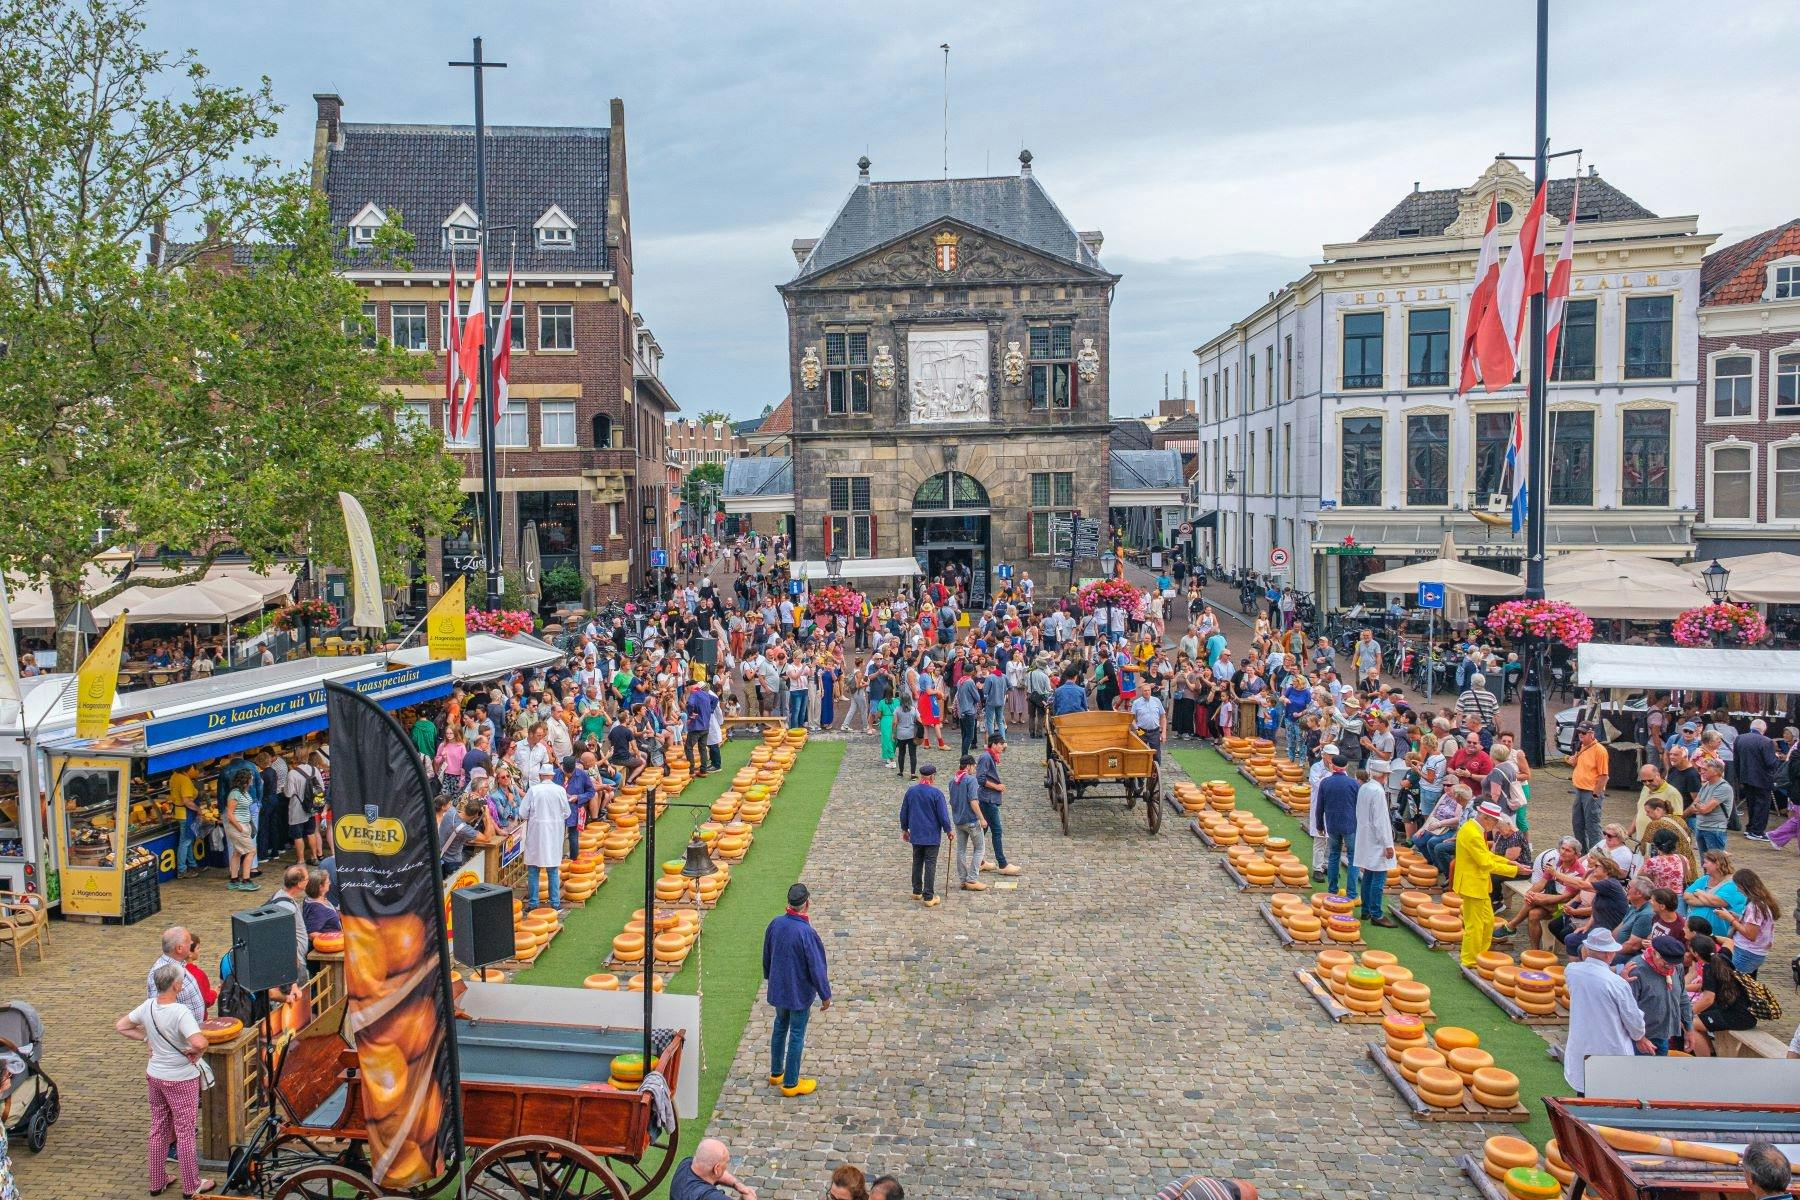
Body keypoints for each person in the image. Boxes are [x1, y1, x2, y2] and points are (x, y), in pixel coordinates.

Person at [116, 962, 214, 1198]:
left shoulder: (147, 1006)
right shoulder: (181, 1012)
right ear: (177, 986)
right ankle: (192, 1185)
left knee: (159, 1127)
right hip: (180, 1077)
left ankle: (157, 1180)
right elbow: (200, 1042)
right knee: (185, 1131)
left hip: (156, 1074)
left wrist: (146, 1040)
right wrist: (195, 1050)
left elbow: (121, 1026)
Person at [761, 883, 831, 1097]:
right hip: (798, 992)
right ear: (807, 904)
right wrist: (825, 994)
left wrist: (768, 976)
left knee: (780, 1026)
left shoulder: (775, 924)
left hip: (779, 988)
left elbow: (767, 953)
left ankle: (776, 1072)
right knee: (797, 1034)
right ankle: (791, 1083)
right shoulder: (806, 932)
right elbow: (817, 967)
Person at [1562, 928, 1646, 1094]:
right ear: (1610, 954)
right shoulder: (1617, 984)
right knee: (1609, 1098)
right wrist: (1640, 1037)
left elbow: (1595, 977)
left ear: (1586, 950)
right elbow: (1634, 1021)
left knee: (1584, 1093)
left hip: (1582, 1046)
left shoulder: (1572, 970)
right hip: (1611, 1050)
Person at [1454, 801, 1523, 967]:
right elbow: (1485, 863)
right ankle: (1469, 961)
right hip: (1473, 886)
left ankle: (1480, 957)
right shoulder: (1473, 833)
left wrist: (1510, 863)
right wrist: (1514, 871)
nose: (1496, 825)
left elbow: (1487, 856)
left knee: (1486, 921)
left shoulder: (1475, 829)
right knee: (1475, 926)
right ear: (1486, 818)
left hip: (1478, 886)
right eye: (1495, 822)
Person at [1618, 934, 1692, 1055]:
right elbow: (1627, 1010)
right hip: (1640, 1039)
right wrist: (1639, 1038)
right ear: (1653, 952)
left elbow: (1683, 997)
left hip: (1663, 1035)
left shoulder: (1676, 967)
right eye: (1666, 963)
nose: (1670, 967)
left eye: (1674, 964)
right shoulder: (1636, 970)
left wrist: (1689, 1028)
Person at [1688, 933, 1758, 1055]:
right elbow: (1729, 941)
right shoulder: (1723, 957)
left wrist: (1687, 1014)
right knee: (1698, 1017)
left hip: (1736, 1017)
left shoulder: (1709, 968)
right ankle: (1711, 1052)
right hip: (1745, 1013)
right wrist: (1711, 936)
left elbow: (1708, 999)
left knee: (1690, 1024)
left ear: (1696, 953)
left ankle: (1705, 1062)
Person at [899, 764, 953, 906]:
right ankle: (929, 896)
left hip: (916, 834)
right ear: (932, 777)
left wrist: (904, 829)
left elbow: (903, 812)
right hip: (931, 835)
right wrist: (949, 830)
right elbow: (943, 816)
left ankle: (917, 891)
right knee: (930, 863)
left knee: (917, 861)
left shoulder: (911, 791)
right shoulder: (936, 794)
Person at [519, 773, 572, 910]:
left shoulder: (533, 790)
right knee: (553, 870)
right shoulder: (560, 790)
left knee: (533, 870)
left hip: (536, 834)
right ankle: (555, 903)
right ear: (552, 776)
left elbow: (523, 813)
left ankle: (533, 903)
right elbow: (567, 812)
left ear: (541, 776)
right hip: (554, 834)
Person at [1353, 767, 1396, 926]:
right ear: (1383, 776)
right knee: (1378, 876)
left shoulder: (1365, 787)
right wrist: (1388, 844)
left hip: (1366, 836)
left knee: (1368, 875)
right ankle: (1376, 913)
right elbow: (1380, 820)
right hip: (1377, 839)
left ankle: (1366, 910)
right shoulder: (1377, 792)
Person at [1719, 867, 1780, 976]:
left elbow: (1750, 934)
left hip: (1747, 952)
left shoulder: (1755, 907)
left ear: (1743, 886)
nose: (1737, 890)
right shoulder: (1762, 901)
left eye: (1738, 887)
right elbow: (1755, 925)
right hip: (1754, 952)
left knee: (1738, 986)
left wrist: (1730, 919)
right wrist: (1738, 918)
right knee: (1749, 983)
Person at [1316, 755, 1360, 901]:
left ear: (1332, 766)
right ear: (1346, 767)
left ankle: (1332, 890)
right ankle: (1352, 894)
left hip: (1332, 823)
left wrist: (1319, 825)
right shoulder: (1353, 783)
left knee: (1334, 855)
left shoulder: (1325, 782)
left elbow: (1319, 806)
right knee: (1353, 857)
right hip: (1350, 824)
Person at [976, 734, 1018, 876]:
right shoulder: (986, 758)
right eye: (1000, 744)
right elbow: (981, 779)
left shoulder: (990, 757)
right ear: (993, 744)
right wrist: (997, 787)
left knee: (984, 830)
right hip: (988, 799)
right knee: (997, 830)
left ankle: (979, 861)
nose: (1002, 747)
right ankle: (1002, 863)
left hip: (989, 798)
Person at [1566, 723, 1609, 854]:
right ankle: (1581, 854)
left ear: (1592, 734)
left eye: (1583, 733)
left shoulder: (1600, 750)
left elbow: (1604, 776)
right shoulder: (1583, 746)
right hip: (1579, 790)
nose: (1580, 735)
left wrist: (1595, 795)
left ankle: (1596, 856)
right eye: (1579, 732)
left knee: (1592, 826)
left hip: (1591, 792)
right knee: (1577, 824)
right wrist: (1573, 762)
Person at [149, 927, 207, 1023]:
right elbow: (160, 1012)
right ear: (179, 948)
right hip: (180, 1034)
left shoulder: (179, 964)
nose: (191, 944)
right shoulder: (163, 972)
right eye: (188, 942)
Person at [669, 1137, 758, 1200]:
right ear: (717, 1169)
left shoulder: (686, 1164)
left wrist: (736, 1184)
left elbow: (720, 1175)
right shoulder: (709, 1196)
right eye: (726, 1162)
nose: (726, 1166)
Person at [1737, 718, 1781, 841]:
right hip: (1762, 778)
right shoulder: (1767, 741)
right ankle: (1757, 831)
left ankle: (1750, 828)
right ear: (1764, 729)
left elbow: (1737, 759)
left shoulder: (1740, 738)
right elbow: (1770, 763)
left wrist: (1739, 776)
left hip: (1746, 776)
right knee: (1762, 805)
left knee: (1751, 803)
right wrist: (1777, 758)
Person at [948, 754, 987, 892]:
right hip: (971, 820)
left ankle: (963, 879)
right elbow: (973, 801)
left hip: (959, 821)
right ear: (968, 766)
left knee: (961, 850)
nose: (975, 768)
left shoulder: (952, 781)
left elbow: (952, 802)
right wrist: (982, 818)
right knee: (979, 848)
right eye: (974, 766)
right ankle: (972, 878)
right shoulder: (971, 780)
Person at [223, 765, 258, 891]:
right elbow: (230, 814)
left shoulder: (244, 792)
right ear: (246, 780)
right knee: (251, 851)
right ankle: (246, 880)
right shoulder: (235, 794)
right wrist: (240, 827)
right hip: (238, 827)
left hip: (244, 826)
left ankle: (233, 880)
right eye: (251, 778)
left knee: (237, 853)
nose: (252, 780)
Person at [1691, 756, 1735, 853]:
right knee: (1705, 863)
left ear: (1716, 772)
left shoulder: (1723, 788)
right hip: (1700, 827)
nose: (1702, 772)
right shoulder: (1706, 785)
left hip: (1714, 829)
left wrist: (1699, 806)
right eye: (1701, 769)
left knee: (1716, 863)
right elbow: (1694, 805)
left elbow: (1704, 809)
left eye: (1705, 769)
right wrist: (1700, 806)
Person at [1633, 762, 1684, 842]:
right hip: (1641, 841)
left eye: (1650, 780)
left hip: (1659, 843)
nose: (1647, 783)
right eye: (1644, 781)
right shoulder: (1645, 788)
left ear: (1658, 775)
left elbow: (1677, 820)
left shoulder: (1672, 793)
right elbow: (1639, 812)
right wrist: (1628, 833)